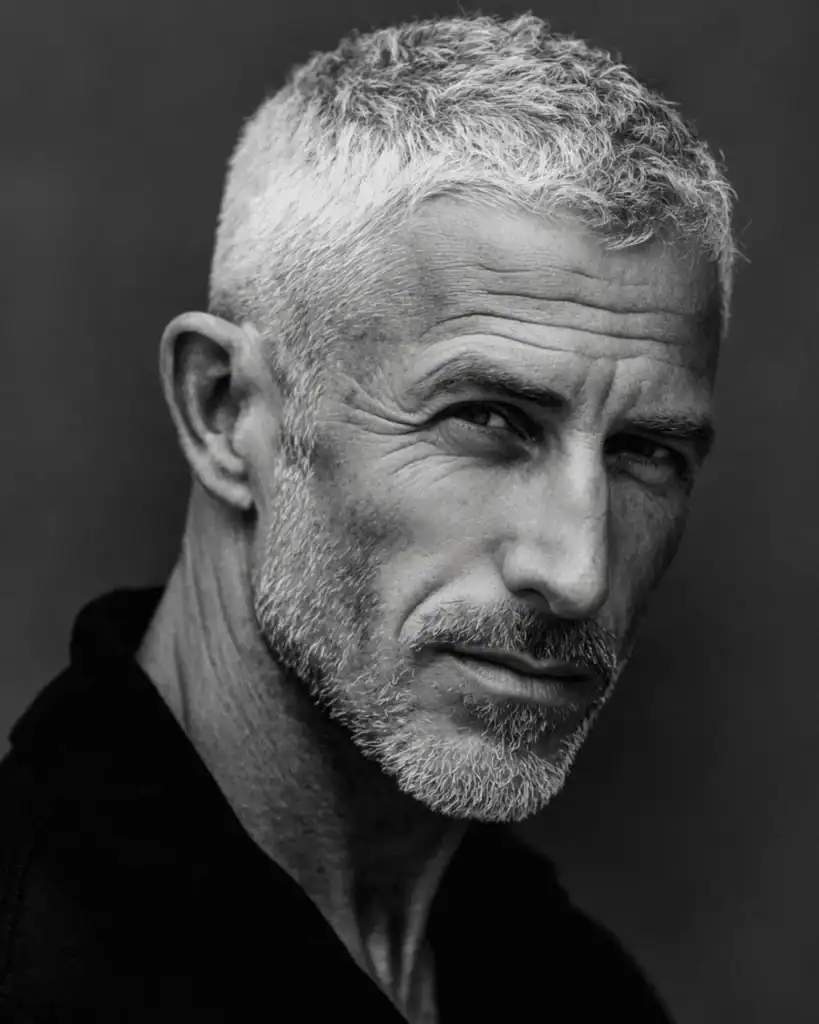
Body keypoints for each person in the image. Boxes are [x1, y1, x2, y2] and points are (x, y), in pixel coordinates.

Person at [0, 12, 736, 1023]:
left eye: (645, 451)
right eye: (489, 419)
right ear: (226, 411)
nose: (579, 569)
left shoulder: (572, 985)